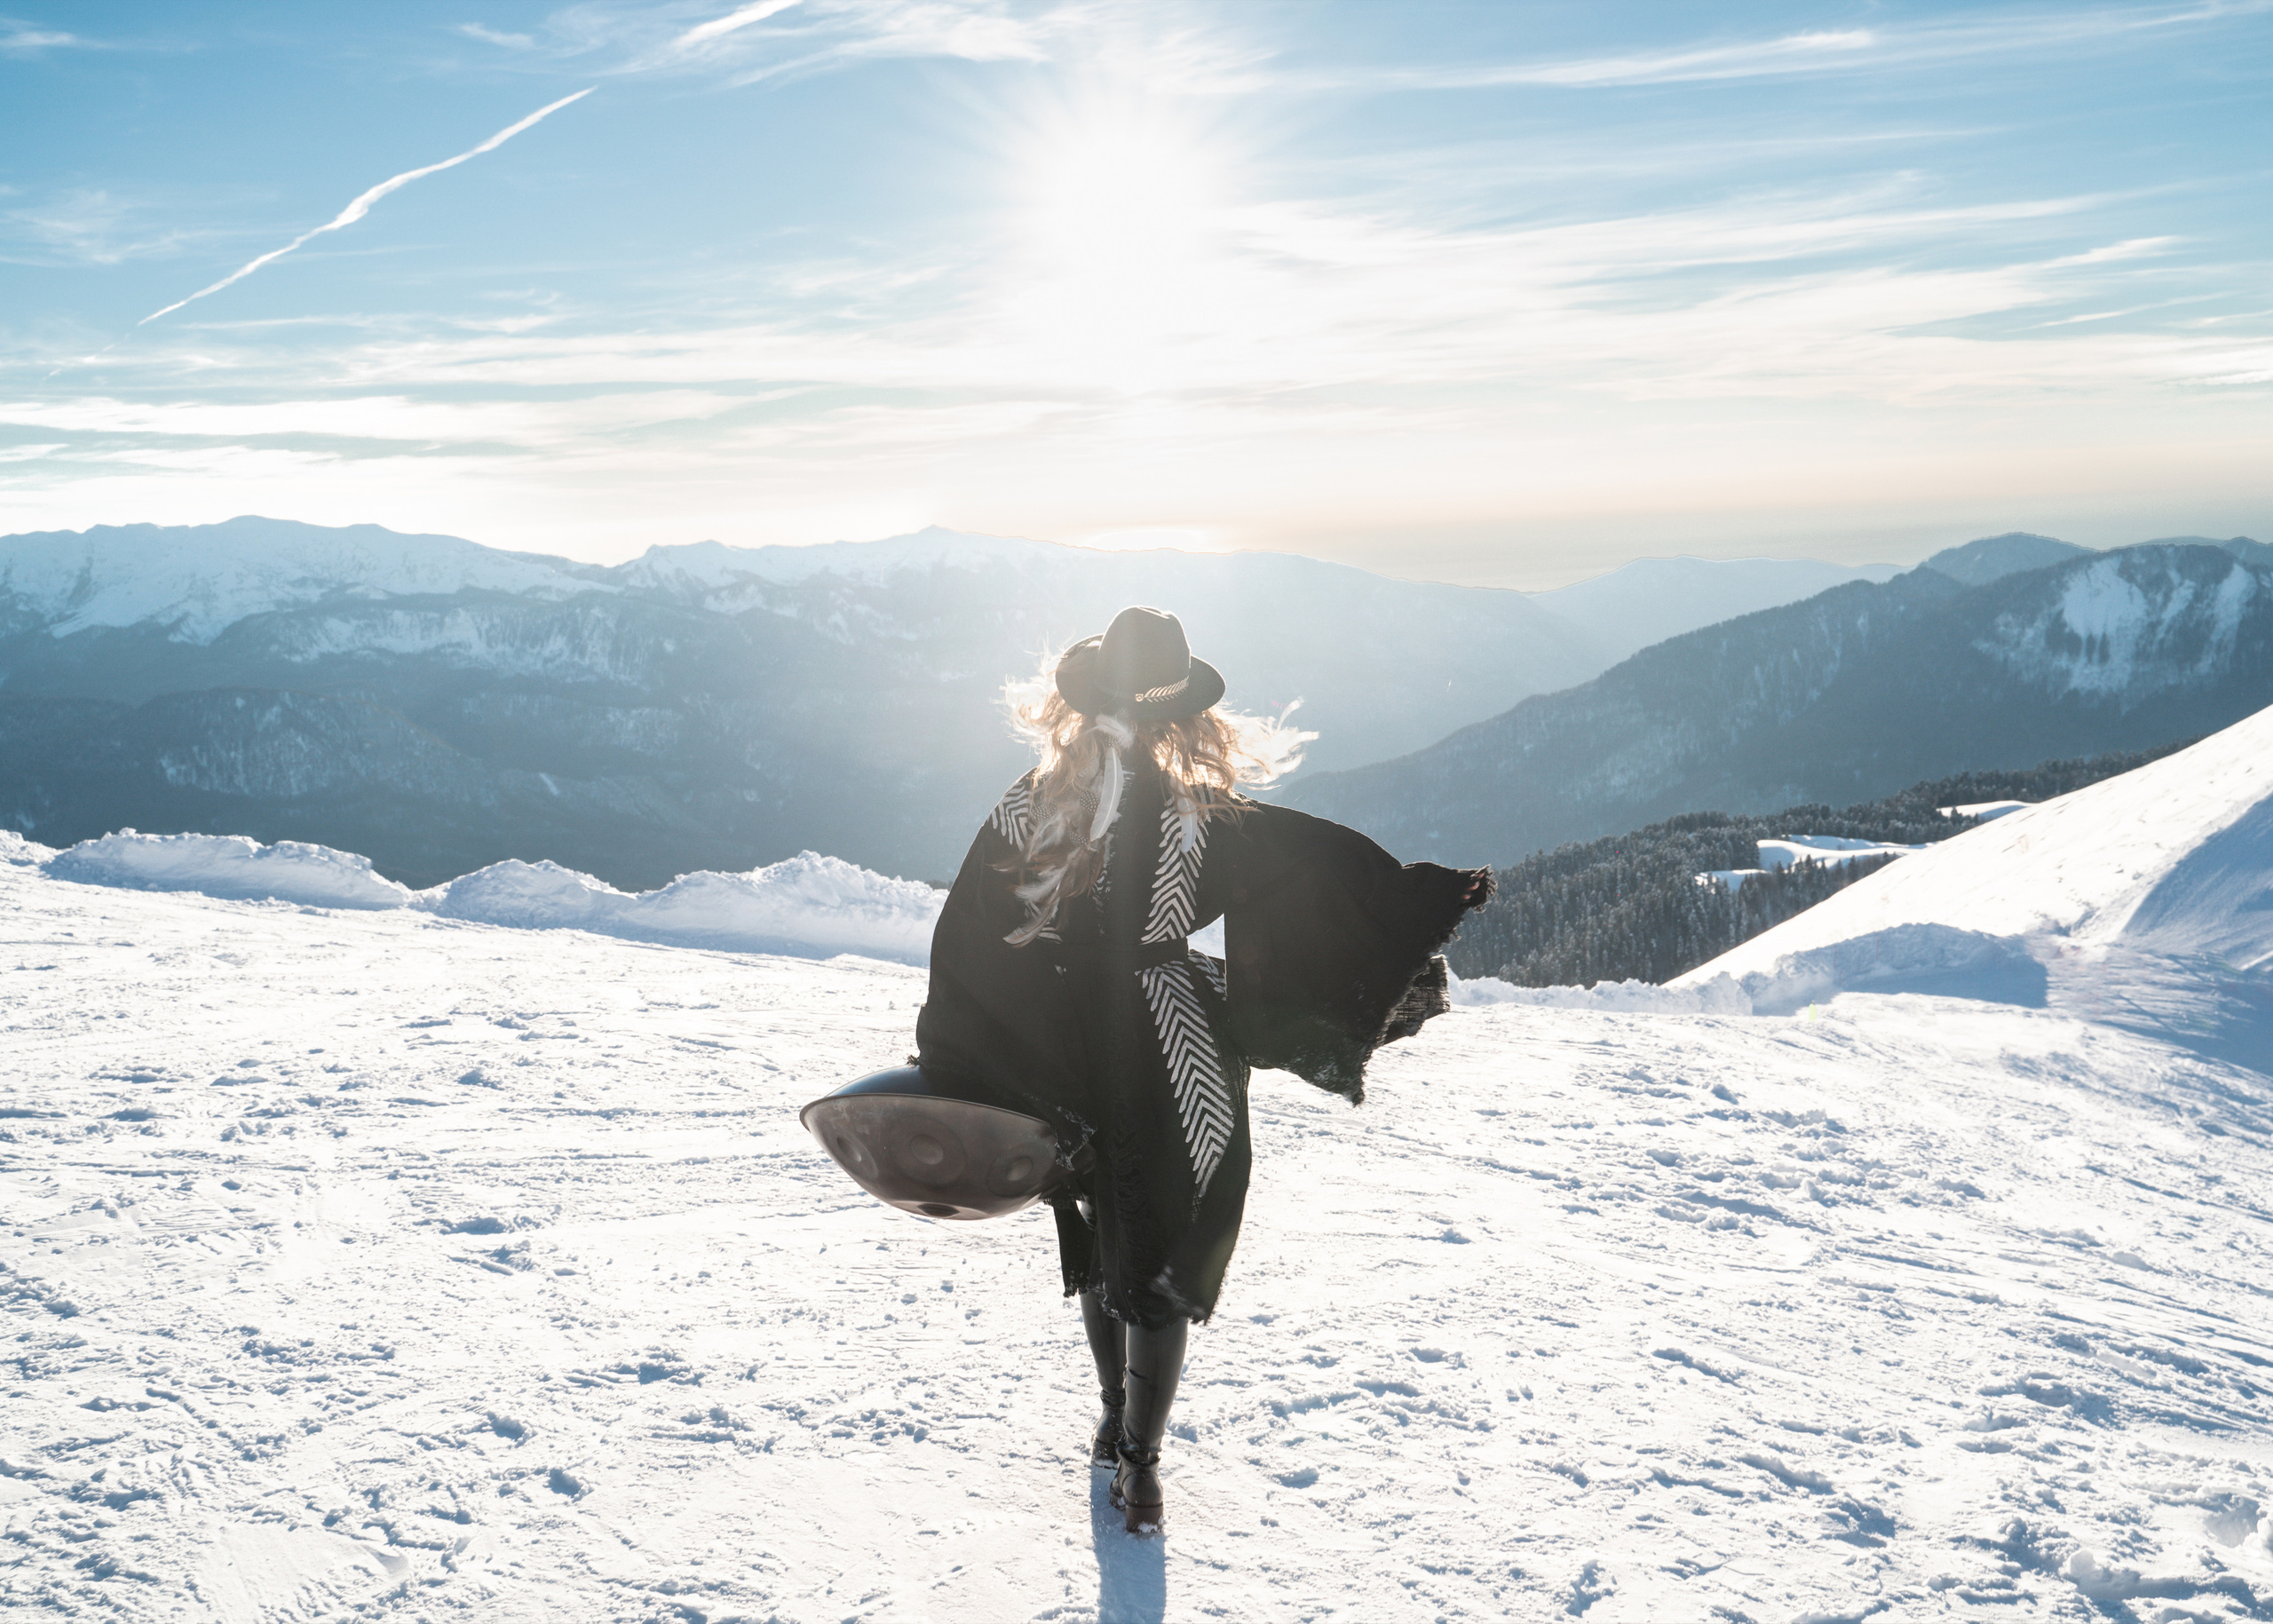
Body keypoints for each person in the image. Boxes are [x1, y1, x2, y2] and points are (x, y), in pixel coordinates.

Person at [915, 606, 1492, 1534]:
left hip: (1058, 1041)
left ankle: (1110, 1418)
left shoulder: (1028, 805)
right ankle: (1139, 1469)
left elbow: (969, 935)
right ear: (1179, 713)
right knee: (1162, 1246)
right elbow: (1327, 867)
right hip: (1170, 1043)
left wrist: (958, 1049)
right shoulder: (1202, 817)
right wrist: (1417, 905)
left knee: (1101, 1227)